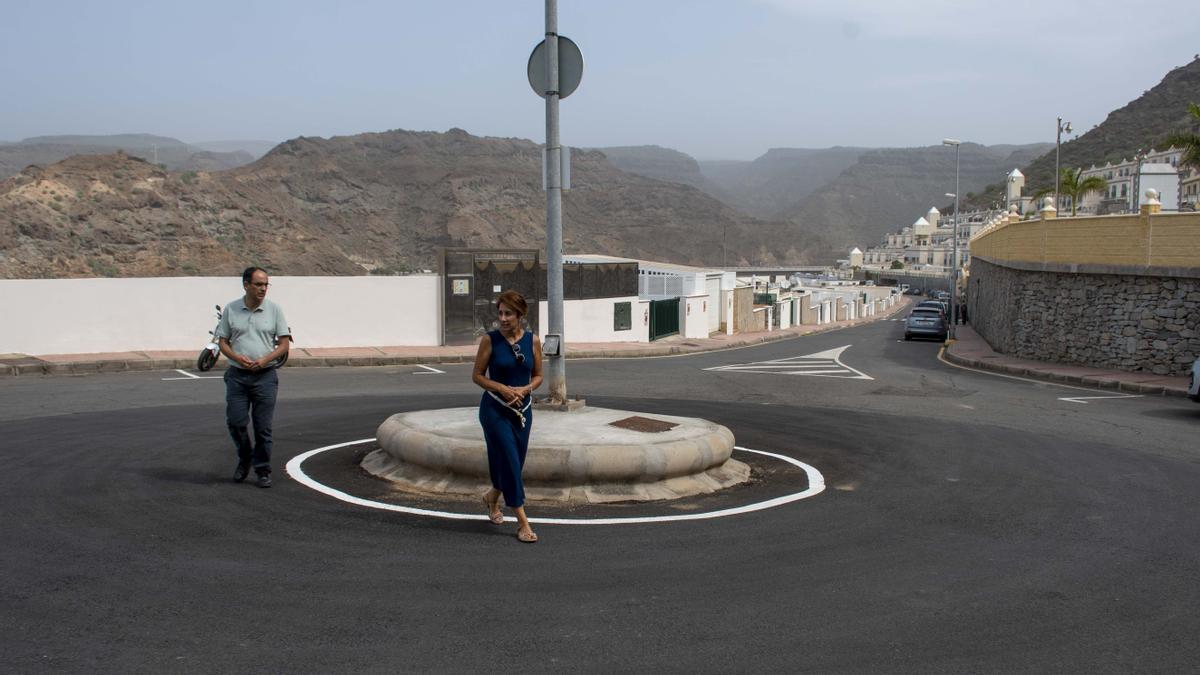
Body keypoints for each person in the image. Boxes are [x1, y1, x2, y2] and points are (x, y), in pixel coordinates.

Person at [472, 290, 543, 543]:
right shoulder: (489, 341)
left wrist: (525, 389)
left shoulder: (533, 341)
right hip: (494, 411)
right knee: (511, 462)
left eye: (508, 314)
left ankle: (492, 497)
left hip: (522, 412)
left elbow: (538, 375)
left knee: (515, 461)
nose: (502, 318)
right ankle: (523, 522)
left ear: (520, 315)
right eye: (500, 313)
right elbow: (477, 376)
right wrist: (501, 388)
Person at [216, 267, 291, 488]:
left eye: (266, 284)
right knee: (236, 422)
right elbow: (222, 342)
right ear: (246, 285)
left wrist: (266, 359)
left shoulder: (275, 310)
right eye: (258, 284)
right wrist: (237, 358)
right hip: (237, 377)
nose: (263, 289)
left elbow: (284, 344)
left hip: (265, 377)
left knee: (263, 428)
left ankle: (262, 469)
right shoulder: (231, 309)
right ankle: (245, 457)